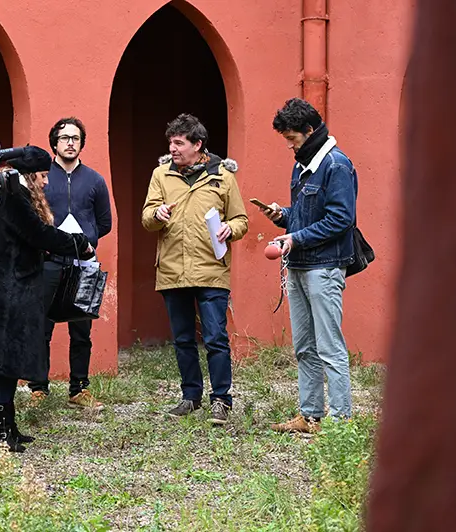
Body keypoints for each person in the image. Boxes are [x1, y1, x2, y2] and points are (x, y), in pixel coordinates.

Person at [0, 146, 94, 451]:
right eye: (41, 175)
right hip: (8, 287)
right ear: (28, 175)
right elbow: (39, 234)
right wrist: (80, 245)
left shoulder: (10, 194)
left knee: (11, 357)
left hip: (13, 284)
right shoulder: (14, 198)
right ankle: (0, 428)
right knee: (6, 358)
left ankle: (5, 422)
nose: (45, 182)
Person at [256, 97, 357, 433]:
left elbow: (342, 219)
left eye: (292, 138)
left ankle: (341, 422)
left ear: (309, 131)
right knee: (304, 346)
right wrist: (282, 215)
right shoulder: (303, 164)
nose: (289, 145)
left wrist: (294, 238)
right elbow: (304, 215)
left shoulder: (337, 165)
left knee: (330, 347)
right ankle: (310, 416)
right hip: (300, 265)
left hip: (325, 267)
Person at [141, 113, 248, 425]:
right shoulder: (161, 175)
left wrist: (230, 228)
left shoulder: (223, 177)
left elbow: (241, 219)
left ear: (198, 144)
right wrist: (156, 213)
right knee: (183, 338)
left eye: (179, 143)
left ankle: (221, 400)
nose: (173, 149)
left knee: (215, 337)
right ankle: (191, 396)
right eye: (171, 143)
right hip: (172, 270)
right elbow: (146, 218)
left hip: (211, 269)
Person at [27, 117, 112, 408]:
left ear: (82, 144)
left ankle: (79, 389)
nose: (70, 143)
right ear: (54, 143)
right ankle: (38, 388)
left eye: (75, 138)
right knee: (42, 326)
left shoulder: (95, 180)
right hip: (48, 262)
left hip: (84, 263)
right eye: (65, 138)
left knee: (81, 328)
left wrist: (85, 239)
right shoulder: (41, 176)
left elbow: (105, 223)